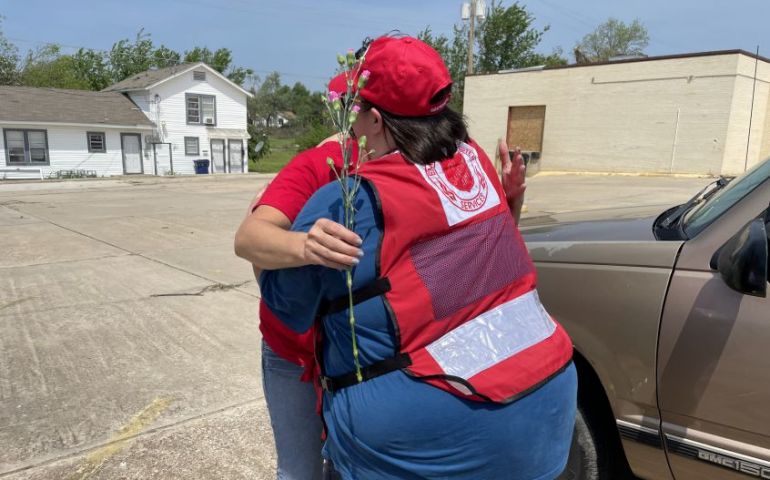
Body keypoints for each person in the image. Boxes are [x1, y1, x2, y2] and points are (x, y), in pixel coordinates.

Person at [259, 35, 576, 479]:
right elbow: (471, 270)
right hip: (548, 403)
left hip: (428, 438)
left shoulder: (347, 201)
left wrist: (291, 249)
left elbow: (285, 309)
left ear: (372, 119)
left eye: (355, 106)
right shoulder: (476, 161)